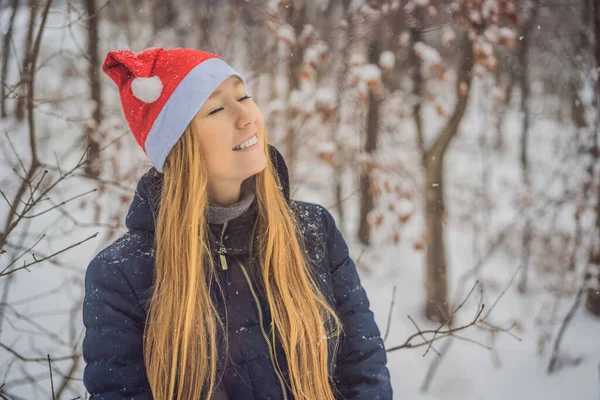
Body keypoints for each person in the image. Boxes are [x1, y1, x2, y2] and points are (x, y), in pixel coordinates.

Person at [82, 47, 393, 400]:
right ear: (179, 146)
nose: (247, 116)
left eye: (244, 96)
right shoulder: (121, 275)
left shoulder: (313, 230)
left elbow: (364, 372)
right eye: (216, 108)